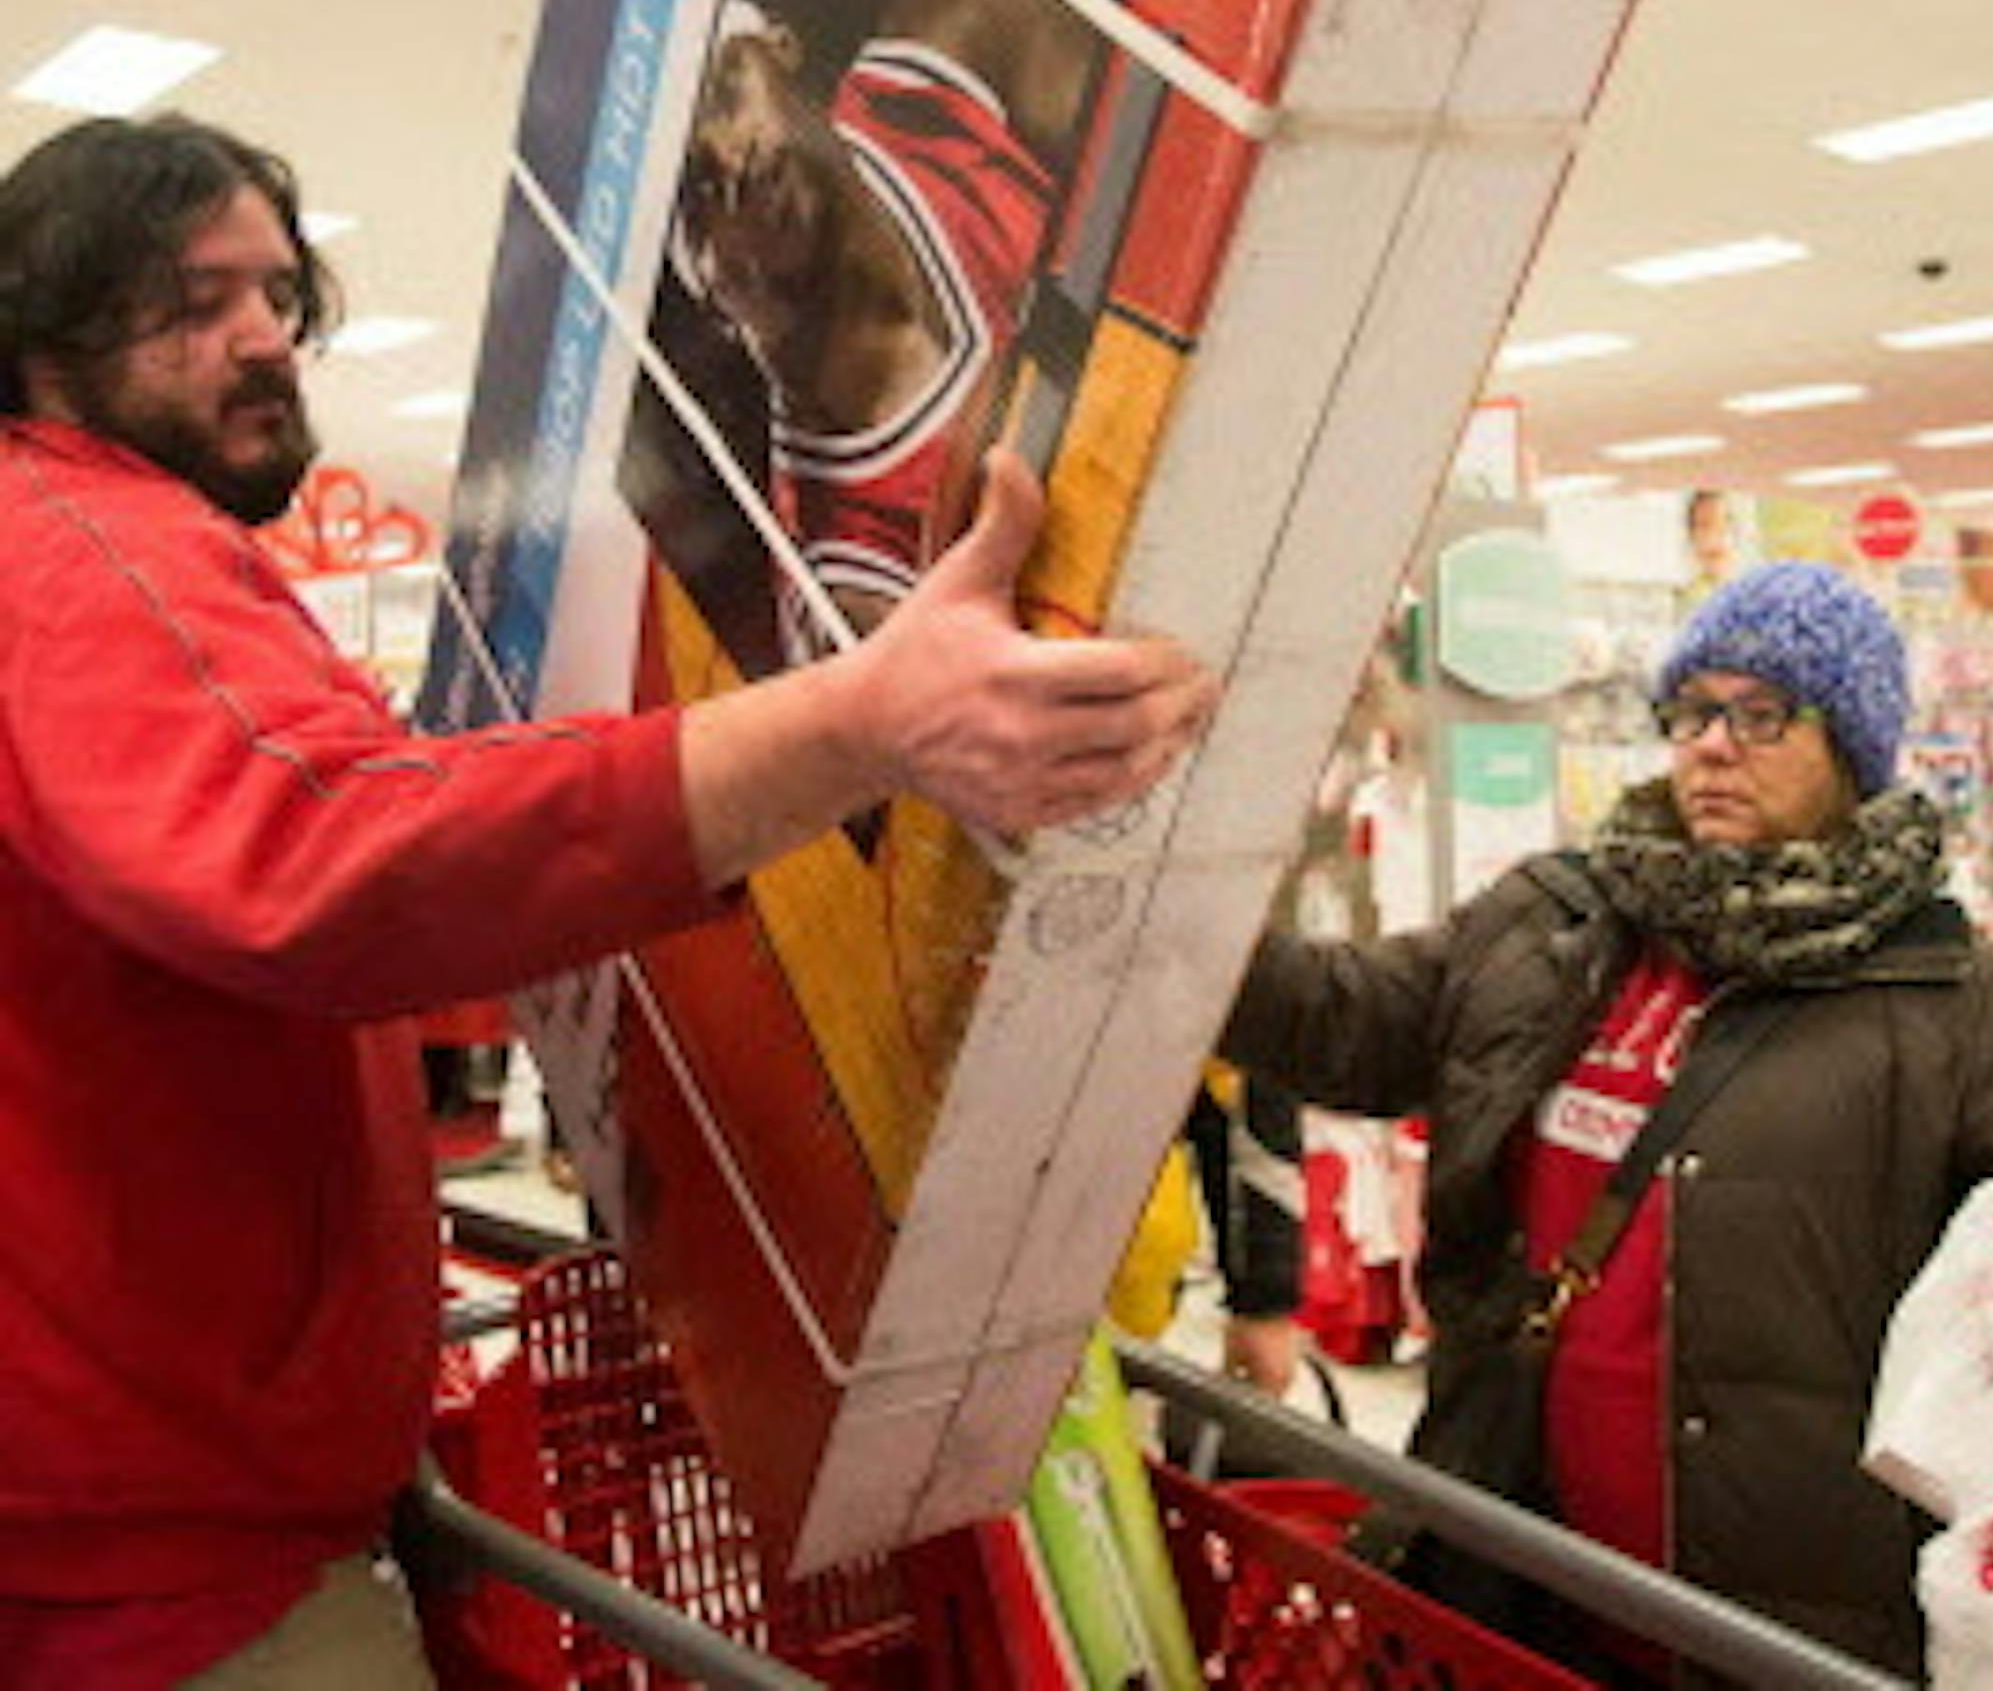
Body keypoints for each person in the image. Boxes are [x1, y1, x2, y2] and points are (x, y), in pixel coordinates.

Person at [0, 112, 1214, 1689]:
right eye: (185, 301)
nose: (258, 339)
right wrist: (856, 721)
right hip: (160, 1569)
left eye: (275, 295)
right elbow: (312, 855)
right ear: (39, 329)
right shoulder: (78, 543)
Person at [1221, 560, 1993, 1683]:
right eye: (1694, 707)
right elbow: (1345, 1024)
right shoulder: (1555, 922)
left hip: (1782, 1619)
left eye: (1761, 712)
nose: (1713, 742)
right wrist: (1163, 916)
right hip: (1513, 1563)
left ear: (1852, 748)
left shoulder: (1962, 997)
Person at [671, 0, 1094, 645]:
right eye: (696, 188)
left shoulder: (969, 30)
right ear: (713, 296)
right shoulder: (853, 590)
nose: (734, 155)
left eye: (724, 95)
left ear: (778, 46)